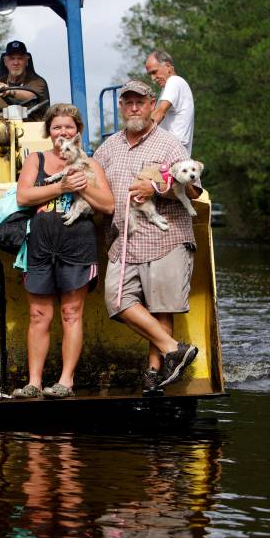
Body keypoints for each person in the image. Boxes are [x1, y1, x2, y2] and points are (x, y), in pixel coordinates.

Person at [92, 80, 202, 396]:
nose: (134, 107)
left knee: (160, 306)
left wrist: (155, 188)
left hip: (165, 237)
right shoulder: (108, 147)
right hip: (123, 240)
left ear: (152, 104)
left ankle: (153, 376)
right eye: (128, 102)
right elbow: (93, 183)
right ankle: (173, 349)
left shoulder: (170, 145)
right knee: (117, 300)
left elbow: (193, 190)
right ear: (121, 107)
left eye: (139, 101)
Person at [11, 104, 114, 399]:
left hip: (77, 243)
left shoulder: (91, 164)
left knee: (71, 312)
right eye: (56, 127)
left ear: (78, 131)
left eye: (68, 127)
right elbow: (23, 196)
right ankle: (34, 382)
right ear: (49, 132)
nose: (62, 132)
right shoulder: (36, 159)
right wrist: (61, 187)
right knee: (38, 314)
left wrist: (81, 188)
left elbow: (108, 205)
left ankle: (66, 382)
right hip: (42, 244)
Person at [0, 40, 50, 123]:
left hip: (34, 130)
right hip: (1, 132)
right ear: (5, 62)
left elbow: (33, 96)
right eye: (12, 59)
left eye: (20, 58)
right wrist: (2, 128)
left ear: (27, 61)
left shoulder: (37, 82)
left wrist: (10, 91)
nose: (16, 63)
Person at [145, 49, 195, 154]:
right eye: (150, 74)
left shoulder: (174, 81)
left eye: (154, 72)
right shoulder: (174, 85)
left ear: (168, 66)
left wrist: (137, 134)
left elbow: (160, 112)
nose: (153, 78)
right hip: (174, 154)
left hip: (172, 155)